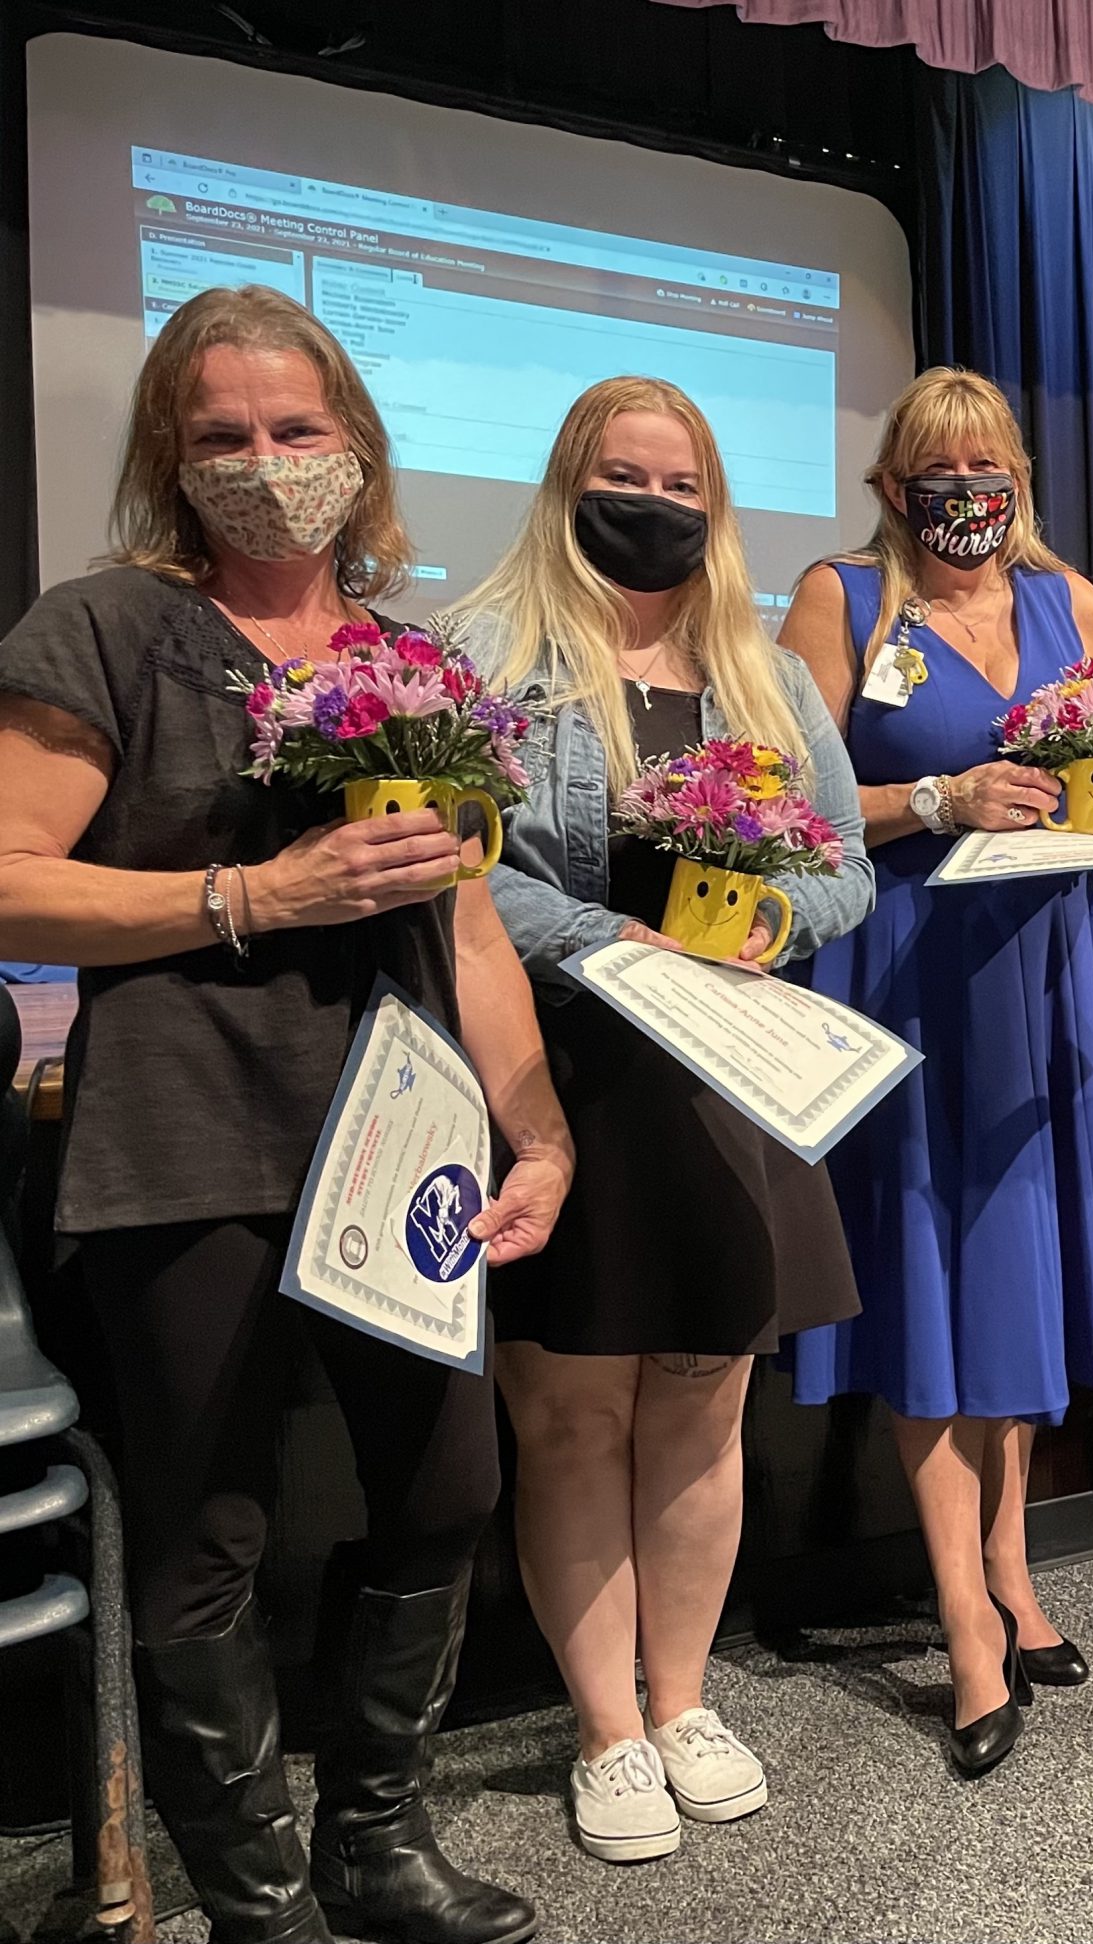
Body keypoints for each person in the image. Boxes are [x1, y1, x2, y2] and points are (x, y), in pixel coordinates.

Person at [0, 286, 571, 1944]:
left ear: (358, 446)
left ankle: (374, 1847)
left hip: (401, 1134)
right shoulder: (100, 626)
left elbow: (467, 922)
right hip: (185, 1130)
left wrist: (533, 1130)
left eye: (297, 429)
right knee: (208, 1524)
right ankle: (254, 1898)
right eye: (222, 436)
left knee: (449, 1482)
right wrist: (255, 888)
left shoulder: (415, 660)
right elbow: (11, 883)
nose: (265, 463)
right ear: (173, 461)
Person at [451, 376, 872, 1858]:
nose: (656, 505)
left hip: (730, 1084)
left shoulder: (770, 676)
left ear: (714, 504)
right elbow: (456, 868)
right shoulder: (490, 658)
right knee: (571, 1418)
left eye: (682, 484)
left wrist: (766, 918)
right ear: (572, 485)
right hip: (561, 1082)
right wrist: (605, 943)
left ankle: (683, 1698)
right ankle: (607, 1731)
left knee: (704, 1403)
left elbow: (848, 877)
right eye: (626, 477)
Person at [774, 368, 1093, 1777]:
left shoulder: (1076, 602)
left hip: (1043, 981)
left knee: (1015, 1293)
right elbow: (790, 804)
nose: (966, 485)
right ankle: (963, 1625)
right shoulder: (842, 599)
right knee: (936, 1299)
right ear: (891, 485)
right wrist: (935, 799)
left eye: (987, 461)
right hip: (907, 977)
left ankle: (1013, 1564)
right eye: (937, 464)